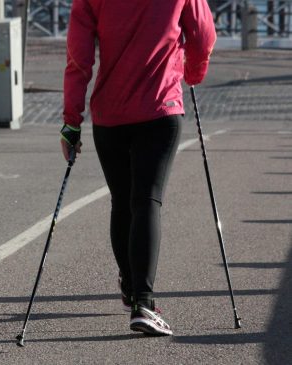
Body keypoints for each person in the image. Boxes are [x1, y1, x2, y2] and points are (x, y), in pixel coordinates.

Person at [60, 0, 216, 336]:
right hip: (161, 108)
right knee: (146, 200)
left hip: (110, 115)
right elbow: (203, 36)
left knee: (123, 200)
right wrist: (192, 73)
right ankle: (143, 303)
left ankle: (132, 287)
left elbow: (79, 57)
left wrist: (71, 122)